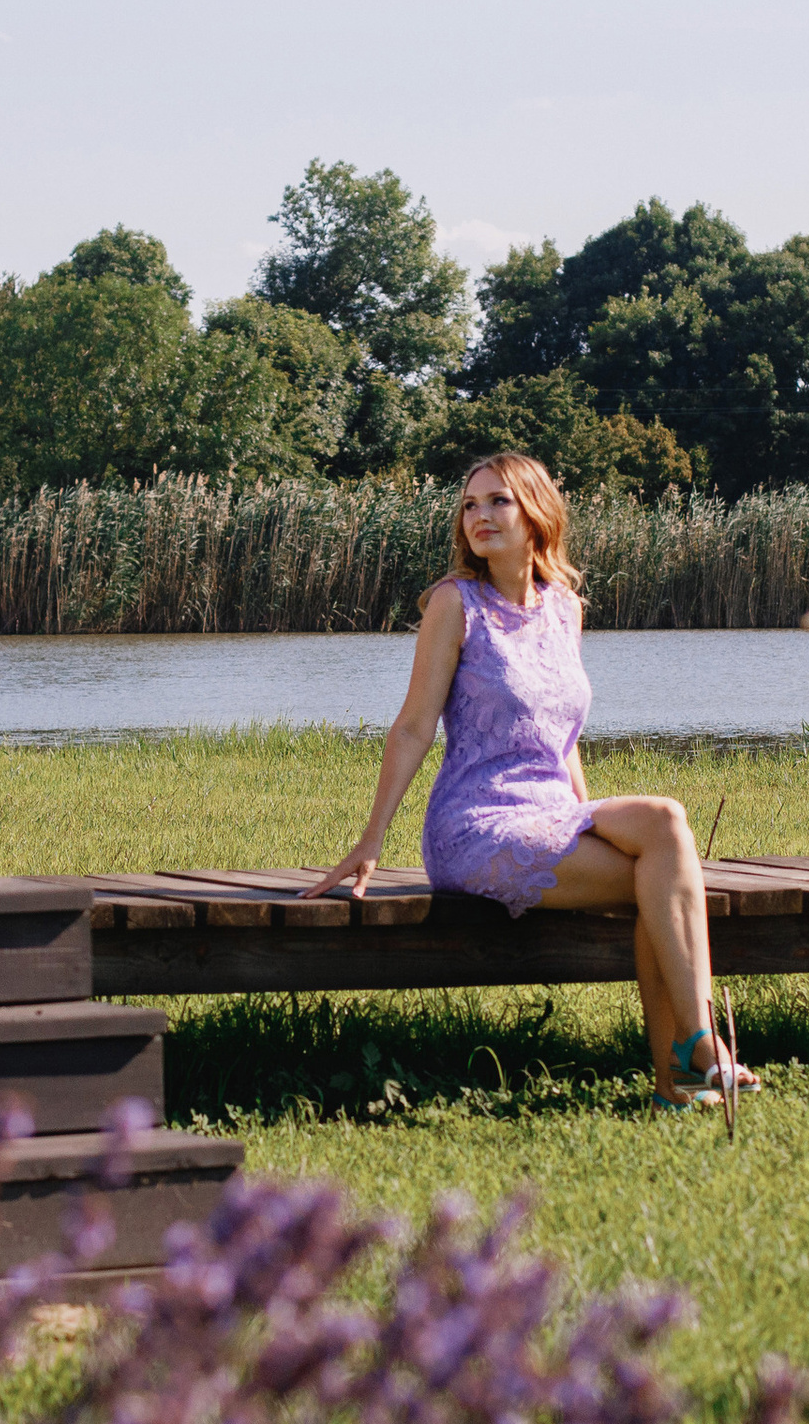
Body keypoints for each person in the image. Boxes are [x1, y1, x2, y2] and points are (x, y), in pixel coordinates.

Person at [303, 450, 759, 1111]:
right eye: (469, 505)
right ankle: (696, 1052)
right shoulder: (455, 606)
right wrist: (371, 838)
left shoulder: (565, 608)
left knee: (662, 829)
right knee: (659, 865)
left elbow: (563, 736)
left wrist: (591, 816)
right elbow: (412, 728)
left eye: (497, 502)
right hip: (476, 826)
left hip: (553, 816)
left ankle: (682, 1074)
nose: (479, 517)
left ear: (536, 514)